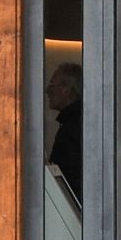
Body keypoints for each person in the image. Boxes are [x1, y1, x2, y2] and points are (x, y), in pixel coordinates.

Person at [45, 63, 85, 205]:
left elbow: (70, 179)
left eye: (52, 85)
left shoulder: (73, 127)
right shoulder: (77, 121)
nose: (47, 91)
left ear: (66, 90)